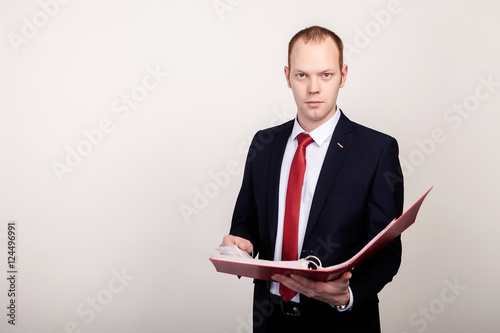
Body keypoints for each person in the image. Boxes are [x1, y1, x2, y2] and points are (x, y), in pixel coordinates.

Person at [220, 25, 404, 333]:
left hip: (341, 321)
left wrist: (347, 295)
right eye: (302, 75)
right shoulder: (263, 144)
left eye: (326, 75)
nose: (313, 88)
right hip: (270, 318)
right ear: (287, 76)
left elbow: (386, 251)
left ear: (343, 76)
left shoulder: (376, 150)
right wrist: (240, 245)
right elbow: (246, 223)